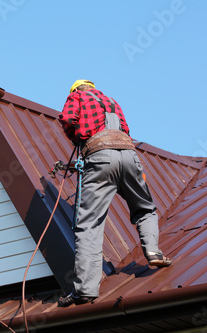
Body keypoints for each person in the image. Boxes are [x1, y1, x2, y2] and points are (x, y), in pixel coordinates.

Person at [57, 80, 172, 307]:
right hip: (129, 155)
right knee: (145, 207)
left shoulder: (77, 97)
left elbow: (68, 118)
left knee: (88, 223)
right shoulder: (111, 101)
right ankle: (154, 252)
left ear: (77, 90)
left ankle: (86, 289)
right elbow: (125, 130)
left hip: (99, 156)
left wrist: (77, 137)